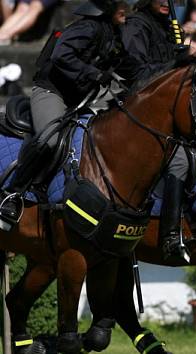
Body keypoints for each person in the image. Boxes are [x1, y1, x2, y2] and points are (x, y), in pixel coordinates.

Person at [0, 0, 133, 231]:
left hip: (80, 96)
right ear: (108, 8)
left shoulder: (115, 33)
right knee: (49, 140)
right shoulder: (87, 28)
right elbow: (61, 56)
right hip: (52, 91)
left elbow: (127, 66)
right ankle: (12, 195)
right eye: (121, 5)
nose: (127, 9)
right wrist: (93, 74)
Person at [122, 0, 192, 263]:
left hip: (167, 114)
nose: (166, 1)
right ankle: (170, 236)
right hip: (138, 114)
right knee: (180, 160)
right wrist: (175, 64)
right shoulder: (136, 26)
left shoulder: (169, 27)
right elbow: (136, 74)